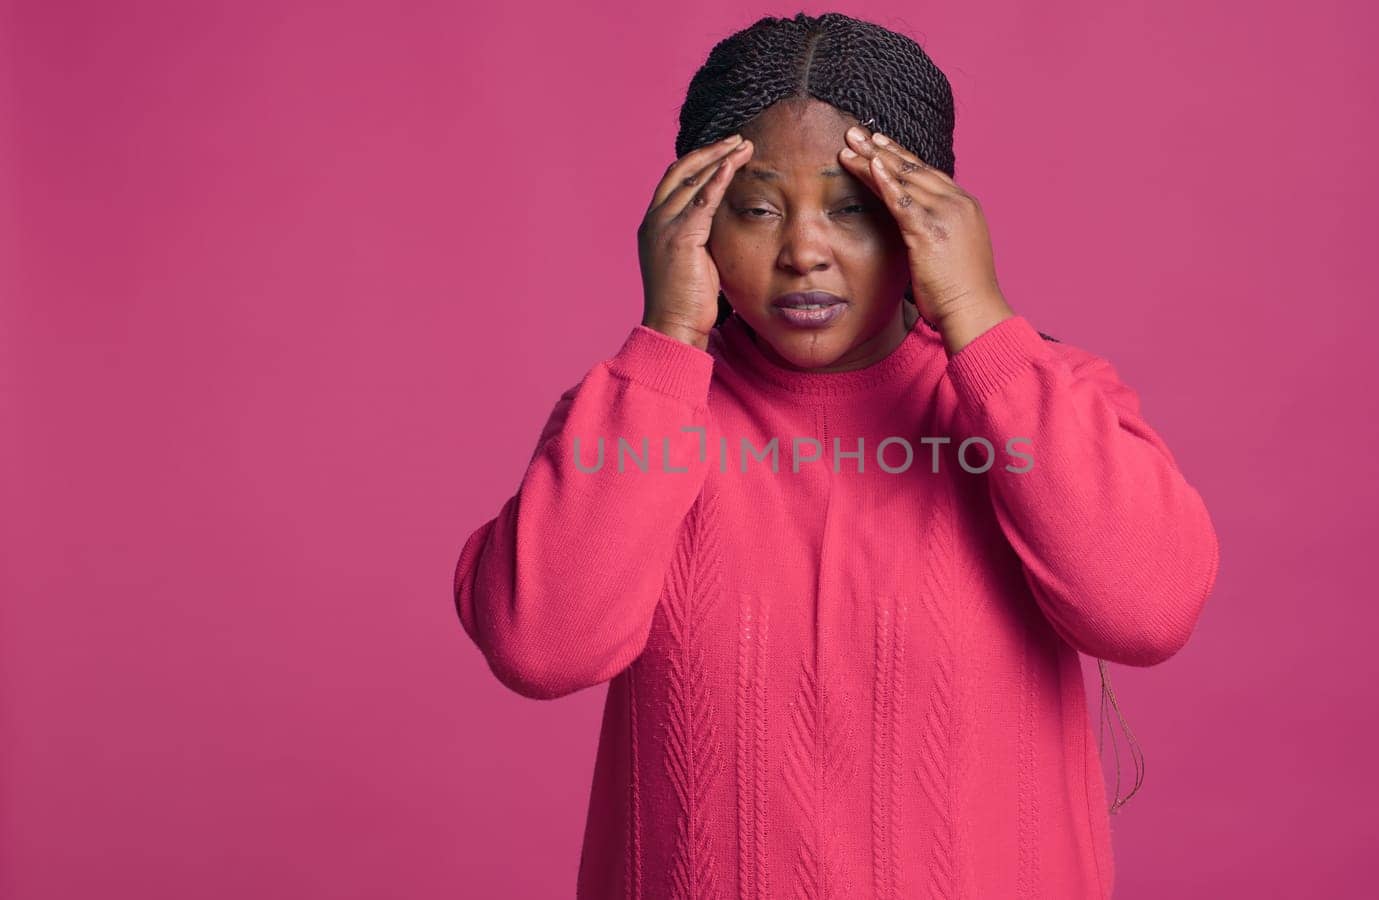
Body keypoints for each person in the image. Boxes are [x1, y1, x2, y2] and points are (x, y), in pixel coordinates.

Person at [452, 11, 1220, 899]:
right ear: (692, 222)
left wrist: (979, 316)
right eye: (758, 209)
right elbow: (542, 648)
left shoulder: (1041, 399)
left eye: (852, 209)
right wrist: (668, 337)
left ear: (926, 216)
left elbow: (1148, 612)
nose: (804, 252)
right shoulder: (640, 417)